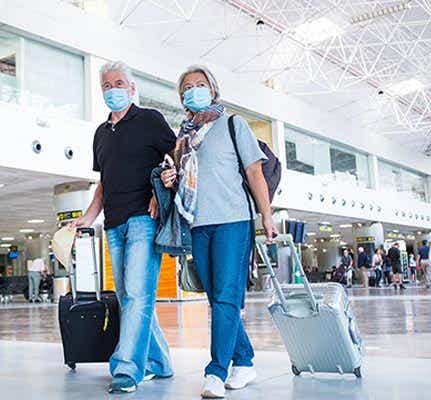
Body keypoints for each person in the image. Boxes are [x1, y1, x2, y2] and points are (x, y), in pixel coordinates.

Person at [161, 65, 276, 398]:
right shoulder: (182, 138)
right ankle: (244, 361)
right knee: (217, 298)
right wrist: (170, 178)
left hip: (232, 221)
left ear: (212, 90)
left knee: (226, 297)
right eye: (187, 87)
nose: (193, 90)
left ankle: (215, 372)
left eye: (200, 84)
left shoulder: (232, 124)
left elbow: (255, 173)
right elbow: (182, 181)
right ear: (182, 98)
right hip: (198, 224)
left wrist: (266, 215)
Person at [70, 61, 175, 394]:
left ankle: (128, 368)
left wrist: (163, 191)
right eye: (106, 85)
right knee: (130, 296)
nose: (112, 89)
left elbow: (176, 157)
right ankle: (160, 363)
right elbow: (104, 181)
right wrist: (89, 216)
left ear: (131, 88)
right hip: (113, 224)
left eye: (118, 83)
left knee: (138, 294)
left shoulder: (150, 120)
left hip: (144, 218)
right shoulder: (101, 133)